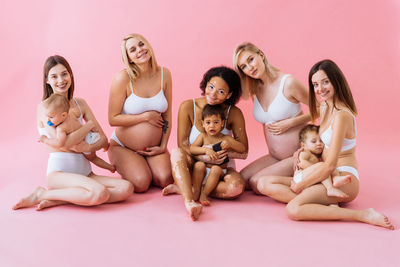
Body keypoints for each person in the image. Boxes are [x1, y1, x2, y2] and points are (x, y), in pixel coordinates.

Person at [257, 59, 394, 229]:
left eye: (325, 82)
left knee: (293, 209)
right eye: (315, 84)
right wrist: (302, 148)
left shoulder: (342, 115)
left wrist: (301, 184)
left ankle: (363, 214)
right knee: (263, 183)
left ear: (336, 81)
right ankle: (322, 204)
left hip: (341, 177)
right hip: (322, 174)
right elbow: (314, 122)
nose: (320, 89)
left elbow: (330, 165)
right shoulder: (325, 106)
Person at [13, 55, 133, 211]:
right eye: (54, 76)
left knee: (126, 188)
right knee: (99, 193)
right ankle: (41, 194)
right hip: (59, 172)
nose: (61, 80)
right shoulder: (45, 108)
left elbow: (103, 139)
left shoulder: (80, 103)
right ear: (47, 81)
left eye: (64, 74)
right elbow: (63, 143)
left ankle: (63, 198)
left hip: (85, 172)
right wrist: (87, 137)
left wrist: (84, 145)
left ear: (70, 75)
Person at [163, 66, 248, 221]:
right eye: (211, 87)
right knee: (176, 153)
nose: (213, 94)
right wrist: (204, 156)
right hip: (195, 166)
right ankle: (190, 202)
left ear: (229, 95)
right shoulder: (188, 107)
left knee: (236, 188)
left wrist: (221, 154)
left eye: (221, 92)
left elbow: (244, 151)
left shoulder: (233, 113)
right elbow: (182, 145)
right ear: (206, 84)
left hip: (220, 168)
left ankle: (187, 187)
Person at [233, 42, 311, 193]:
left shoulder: (288, 83)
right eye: (243, 66)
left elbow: (321, 109)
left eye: (251, 60)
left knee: (256, 183)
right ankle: (297, 178)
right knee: (241, 179)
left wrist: (291, 122)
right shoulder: (255, 90)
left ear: (261, 55)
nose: (250, 67)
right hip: (274, 156)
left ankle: (309, 180)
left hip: (297, 155)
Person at [108, 33, 173, 192]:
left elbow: (168, 116)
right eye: (133, 49)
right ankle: (131, 162)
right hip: (123, 146)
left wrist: (163, 146)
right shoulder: (122, 78)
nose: (140, 50)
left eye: (142, 44)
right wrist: (145, 117)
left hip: (154, 147)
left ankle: (146, 162)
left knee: (166, 179)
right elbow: (112, 119)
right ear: (129, 58)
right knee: (141, 183)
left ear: (148, 46)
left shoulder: (165, 74)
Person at [39, 93, 115, 173]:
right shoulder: (72, 112)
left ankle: (111, 168)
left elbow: (59, 143)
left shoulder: (61, 129)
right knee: (101, 140)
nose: (48, 120)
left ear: (64, 115)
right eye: (47, 117)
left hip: (85, 144)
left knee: (94, 158)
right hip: (92, 135)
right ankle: (105, 146)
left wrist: (45, 139)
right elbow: (79, 113)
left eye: (51, 117)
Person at [190, 104, 246, 206]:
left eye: (216, 122)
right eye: (208, 122)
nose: (212, 126)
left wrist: (231, 144)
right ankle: (197, 190)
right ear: (203, 124)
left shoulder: (226, 138)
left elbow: (242, 149)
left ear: (222, 123)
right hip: (205, 170)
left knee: (215, 169)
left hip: (219, 171)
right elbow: (192, 149)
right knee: (198, 165)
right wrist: (205, 150)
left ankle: (204, 193)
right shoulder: (203, 136)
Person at [293, 124, 351, 198]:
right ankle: (330, 188)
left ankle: (336, 178)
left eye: (321, 141)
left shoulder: (318, 156)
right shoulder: (305, 153)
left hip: (310, 178)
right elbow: (301, 163)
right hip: (300, 178)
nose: (319, 144)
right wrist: (319, 171)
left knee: (331, 166)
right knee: (324, 168)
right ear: (303, 145)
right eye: (314, 141)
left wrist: (321, 171)